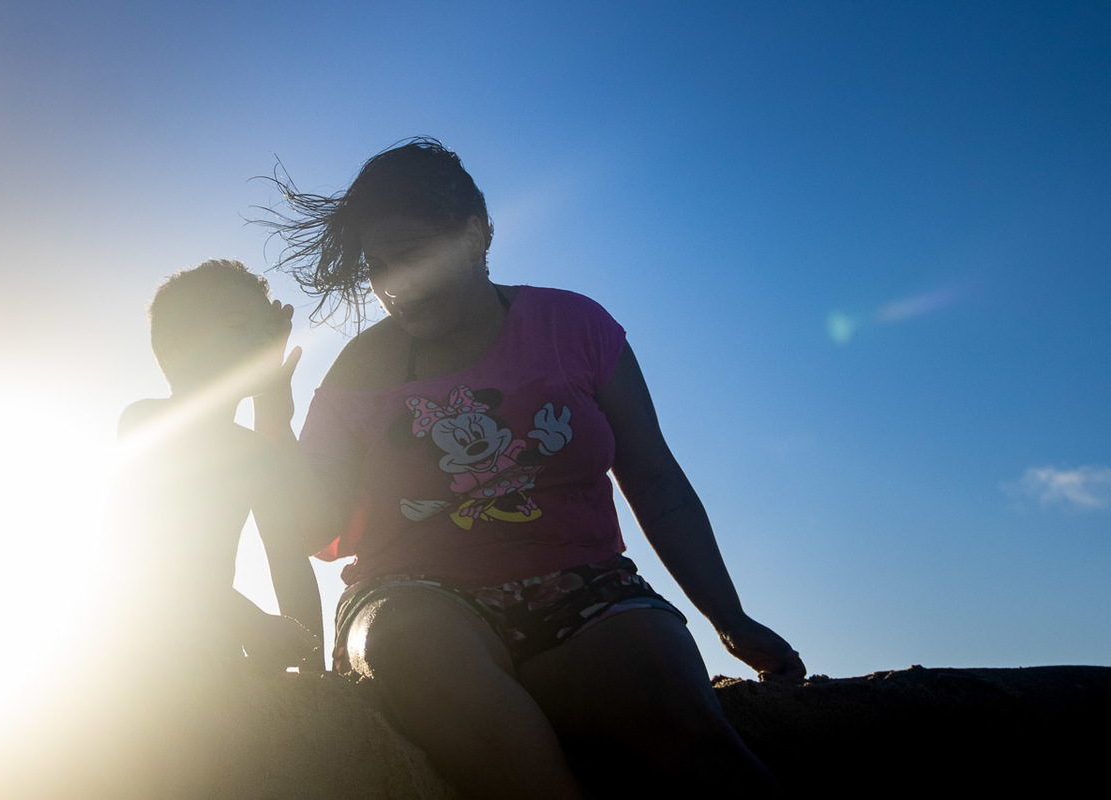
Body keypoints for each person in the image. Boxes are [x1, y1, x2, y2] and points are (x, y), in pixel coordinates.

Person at [262, 139, 805, 796]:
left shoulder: (573, 325)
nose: (391, 286)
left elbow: (655, 480)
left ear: (475, 234)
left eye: (409, 255)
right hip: (411, 599)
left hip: (588, 593)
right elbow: (311, 525)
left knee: (683, 724)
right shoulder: (355, 374)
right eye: (376, 267)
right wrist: (271, 422)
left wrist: (731, 619)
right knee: (423, 659)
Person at [108, 259, 323, 672]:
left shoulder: (258, 454)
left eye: (266, 331)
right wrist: (250, 621)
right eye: (241, 327)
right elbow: (146, 554)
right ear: (178, 346)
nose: (260, 341)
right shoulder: (148, 421)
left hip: (209, 635)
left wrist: (316, 669)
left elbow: (289, 562)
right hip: (132, 632)